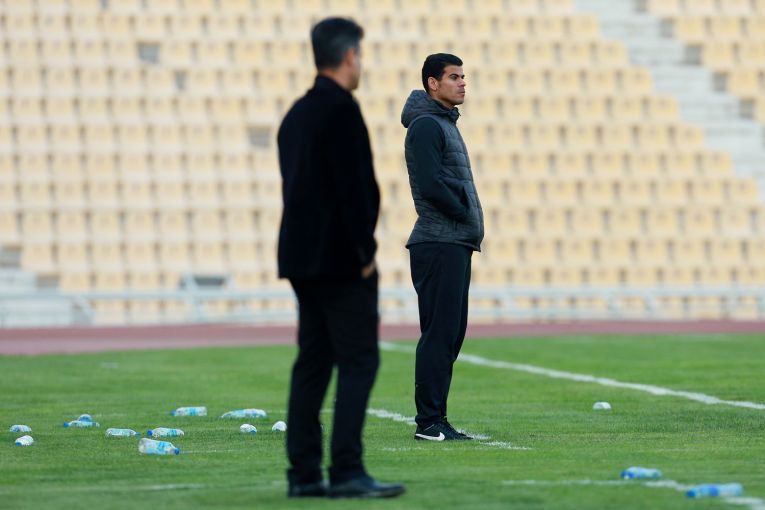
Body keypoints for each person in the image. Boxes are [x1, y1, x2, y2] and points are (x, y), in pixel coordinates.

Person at [277, 17, 406, 499]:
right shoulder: (341, 110)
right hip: (340, 260)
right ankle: (347, 469)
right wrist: (364, 253)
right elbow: (354, 190)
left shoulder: (296, 114)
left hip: (301, 258)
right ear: (349, 55)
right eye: (360, 55)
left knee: (312, 363)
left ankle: (304, 474)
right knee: (358, 361)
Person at [400, 53, 485, 441]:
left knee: (450, 335)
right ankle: (429, 422)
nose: (462, 82)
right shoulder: (426, 126)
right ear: (432, 83)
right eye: (453, 77)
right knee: (439, 334)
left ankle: (438, 419)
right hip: (439, 240)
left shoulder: (443, 123)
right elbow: (431, 183)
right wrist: (463, 210)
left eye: (463, 76)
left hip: (453, 240)